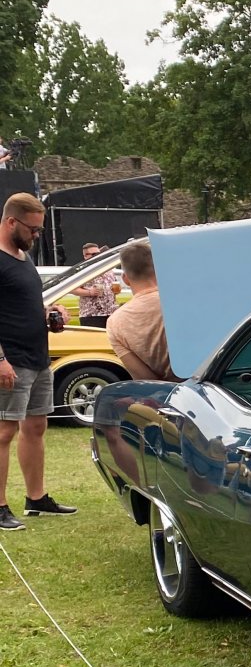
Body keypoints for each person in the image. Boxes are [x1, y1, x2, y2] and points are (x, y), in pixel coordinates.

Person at [0, 192, 78, 530]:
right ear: (11, 222)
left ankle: (36, 497)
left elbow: (23, 303)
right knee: (4, 432)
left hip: (37, 357)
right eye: (32, 229)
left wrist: (49, 314)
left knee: (35, 427)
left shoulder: (23, 258)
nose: (36, 235)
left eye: (39, 230)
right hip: (10, 360)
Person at [105, 240, 178, 382]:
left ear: (125, 279)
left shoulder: (115, 323)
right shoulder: (182, 301)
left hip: (168, 392)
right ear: (159, 270)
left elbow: (144, 378)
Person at [73, 242, 122, 327]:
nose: (98, 256)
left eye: (99, 253)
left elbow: (114, 285)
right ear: (86, 256)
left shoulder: (107, 269)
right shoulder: (82, 271)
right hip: (92, 315)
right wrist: (89, 292)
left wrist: (115, 290)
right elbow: (72, 289)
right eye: (94, 254)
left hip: (111, 312)